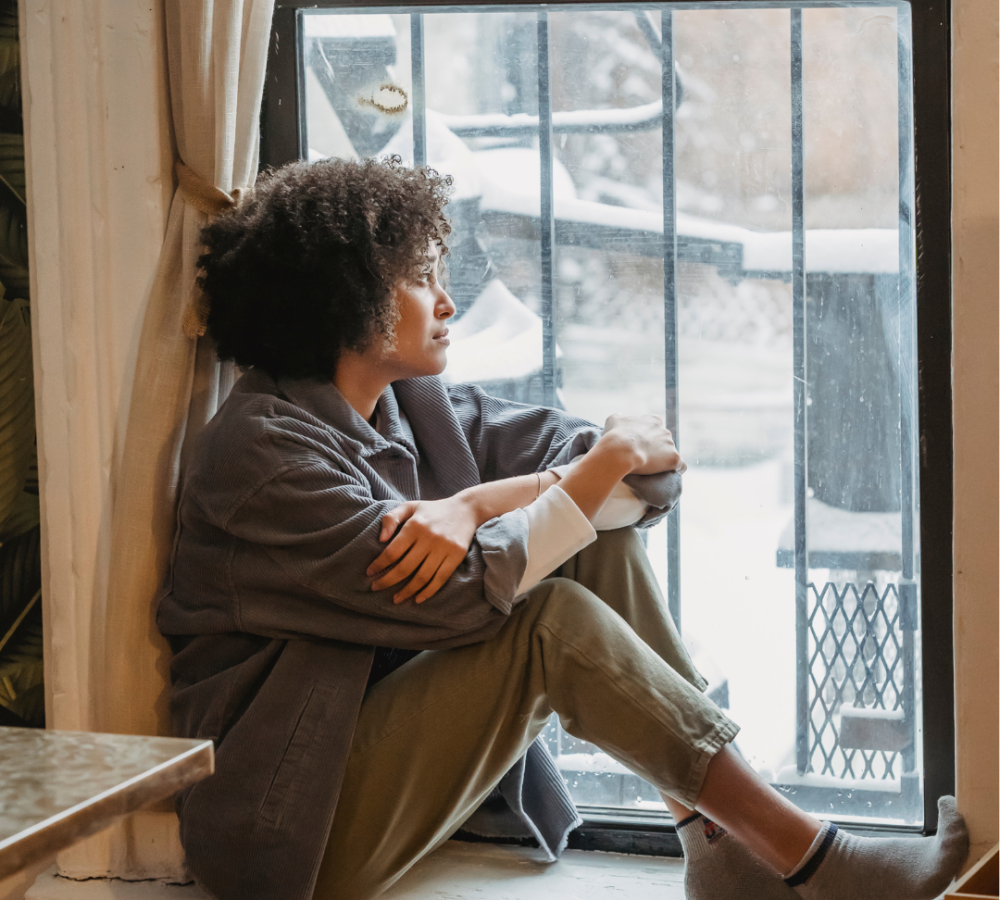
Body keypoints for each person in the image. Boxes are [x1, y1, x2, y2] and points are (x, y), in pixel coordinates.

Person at [157, 156, 968, 900]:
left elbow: (641, 474)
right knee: (549, 622)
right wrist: (588, 469)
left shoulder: (419, 409)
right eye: (418, 280)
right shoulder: (260, 455)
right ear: (339, 298)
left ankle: (719, 844)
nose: (447, 302)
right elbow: (464, 597)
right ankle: (816, 862)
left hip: (383, 779)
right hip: (292, 825)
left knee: (592, 540)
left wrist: (498, 495)